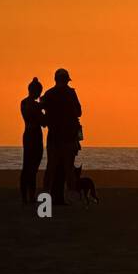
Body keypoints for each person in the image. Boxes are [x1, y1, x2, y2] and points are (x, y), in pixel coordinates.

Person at [41, 68, 82, 206]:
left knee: (51, 168)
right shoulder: (71, 93)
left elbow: (42, 108)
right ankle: (71, 198)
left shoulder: (49, 94)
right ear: (66, 80)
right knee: (69, 169)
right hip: (69, 137)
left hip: (54, 137)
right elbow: (79, 112)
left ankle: (45, 201)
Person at [20, 77, 45, 203]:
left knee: (26, 166)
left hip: (27, 134)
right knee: (33, 167)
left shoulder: (23, 103)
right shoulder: (35, 105)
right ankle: (31, 195)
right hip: (35, 135)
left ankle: (25, 196)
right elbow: (43, 122)